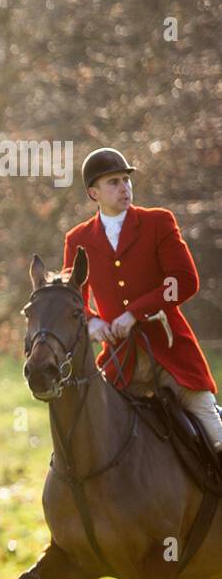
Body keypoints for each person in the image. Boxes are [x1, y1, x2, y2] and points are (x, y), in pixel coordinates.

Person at [63, 147, 222, 451]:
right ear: (94, 193)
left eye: (126, 179)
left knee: (215, 435)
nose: (125, 188)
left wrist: (135, 312)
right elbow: (73, 300)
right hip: (120, 363)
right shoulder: (77, 239)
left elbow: (184, 281)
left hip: (172, 355)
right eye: (114, 182)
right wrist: (92, 322)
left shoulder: (158, 222)